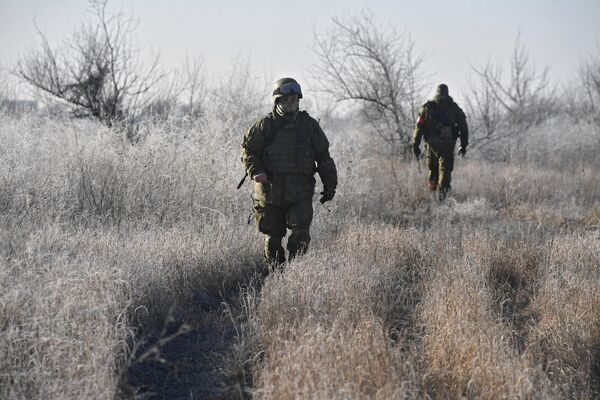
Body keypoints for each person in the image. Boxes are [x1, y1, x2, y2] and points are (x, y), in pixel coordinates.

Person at [240, 77, 337, 266]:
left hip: (300, 191)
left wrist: (330, 185)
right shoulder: (264, 125)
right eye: (287, 100)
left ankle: (294, 273)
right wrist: (256, 171)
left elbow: (324, 156)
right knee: (273, 238)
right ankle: (276, 275)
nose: (292, 103)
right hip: (270, 191)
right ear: (278, 101)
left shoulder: (308, 126)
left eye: (294, 100)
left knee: (301, 234)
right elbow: (247, 150)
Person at [412, 84, 469, 200]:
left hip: (431, 145)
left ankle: (432, 196)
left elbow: (418, 127)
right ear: (447, 93)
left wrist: (415, 144)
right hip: (447, 144)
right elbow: (464, 127)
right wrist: (463, 145)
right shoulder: (454, 108)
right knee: (445, 169)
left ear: (436, 93)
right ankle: (443, 198)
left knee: (433, 170)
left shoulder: (426, 107)